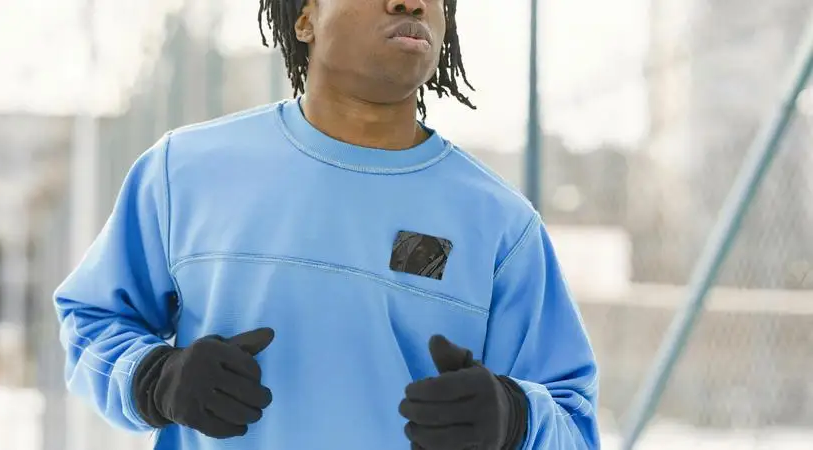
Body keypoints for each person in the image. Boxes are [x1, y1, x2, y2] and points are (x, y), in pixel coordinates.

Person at [54, 0, 600, 448]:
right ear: (305, 16)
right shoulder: (185, 171)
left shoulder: (501, 223)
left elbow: (574, 423)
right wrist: (156, 379)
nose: (410, 3)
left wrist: (516, 419)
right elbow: (91, 321)